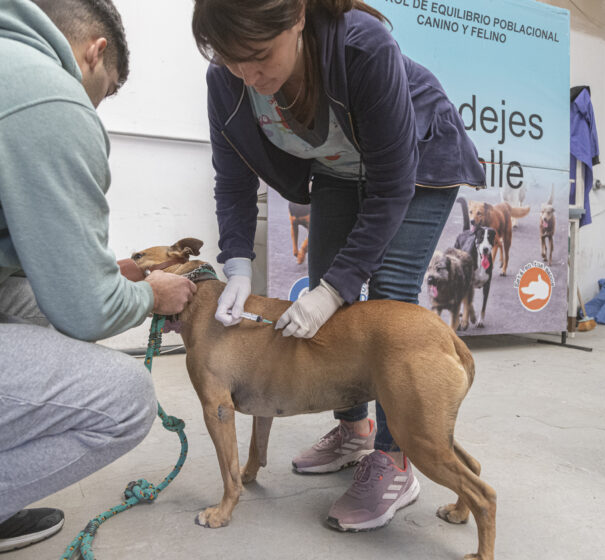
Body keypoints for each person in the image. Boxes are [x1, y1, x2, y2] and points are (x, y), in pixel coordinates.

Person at [0, 0, 196, 558]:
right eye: (100, 96)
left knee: (29, 312)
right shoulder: (47, 93)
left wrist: (113, 274)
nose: (91, 110)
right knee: (124, 400)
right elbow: (87, 311)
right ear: (94, 52)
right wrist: (151, 296)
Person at [192, 0, 485, 532]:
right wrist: (236, 264)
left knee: (385, 297)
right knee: (329, 298)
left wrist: (335, 289)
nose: (250, 76)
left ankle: (396, 459)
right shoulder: (226, 79)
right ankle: (354, 429)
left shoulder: (361, 46)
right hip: (338, 167)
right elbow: (232, 178)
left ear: (298, 17)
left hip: (415, 162)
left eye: (260, 56)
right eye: (234, 62)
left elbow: (394, 184)